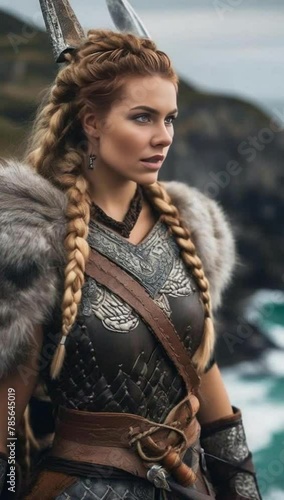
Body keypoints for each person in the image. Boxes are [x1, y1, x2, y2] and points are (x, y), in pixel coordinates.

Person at [0, 5, 262, 500]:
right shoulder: (31, 242)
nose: (163, 137)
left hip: (189, 487)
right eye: (142, 117)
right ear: (92, 121)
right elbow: (8, 419)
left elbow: (202, 370)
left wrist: (243, 491)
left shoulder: (188, 228)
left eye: (169, 118)